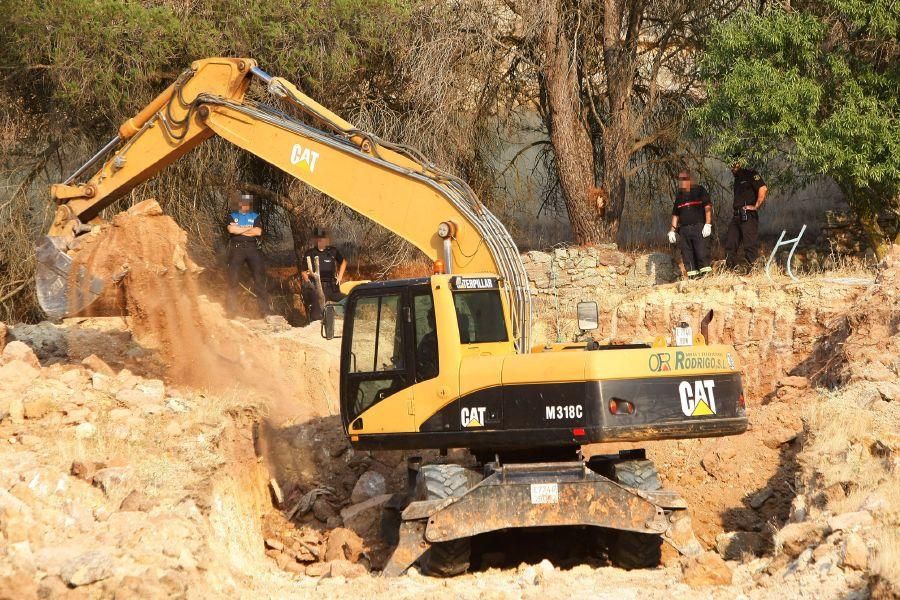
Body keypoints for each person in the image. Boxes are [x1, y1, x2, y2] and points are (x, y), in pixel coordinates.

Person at [225, 193, 270, 315]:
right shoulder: (232, 216)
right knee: (233, 279)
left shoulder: (255, 216)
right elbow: (232, 230)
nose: (245, 205)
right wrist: (248, 229)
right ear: (239, 203)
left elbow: (258, 232)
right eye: (243, 203)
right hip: (236, 248)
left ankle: (265, 311)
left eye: (247, 203)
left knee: (259, 279)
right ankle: (231, 310)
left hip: (252, 248)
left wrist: (240, 229)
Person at [668, 170, 713, 279]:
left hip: (699, 228)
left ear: (690, 179)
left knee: (701, 253)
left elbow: (707, 207)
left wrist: (708, 224)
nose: (682, 182)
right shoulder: (679, 196)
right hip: (684, 230)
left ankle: (706, 278)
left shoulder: (699, 191)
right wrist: (672, 231)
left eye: (684, 179)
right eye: (680, 179)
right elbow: (675, 214)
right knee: (687, 257)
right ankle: (693, 279)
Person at [725, 161, 768, 271]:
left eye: (734, 165)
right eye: (730, 166)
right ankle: (730, 270)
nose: (732, 168)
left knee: (749, 245)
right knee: (730, 242)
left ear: (740, 163)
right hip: (736, 216)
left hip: (748, 215)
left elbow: (763, 188)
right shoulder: (737, 179)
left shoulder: (751, 174)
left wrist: (755, 206)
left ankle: (753, 270)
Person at [301, 227, 347, 321]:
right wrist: (309, 283)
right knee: (316, 316)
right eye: (318, 239)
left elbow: (343, 262)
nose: (320, 241)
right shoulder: (310, 253)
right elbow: (303, 271)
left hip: (332, 287)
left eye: (322, 239)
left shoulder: (332, 251)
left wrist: (340, 276)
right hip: (317, 288)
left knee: (348, 301)